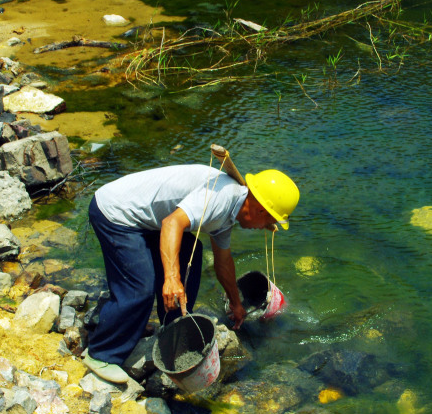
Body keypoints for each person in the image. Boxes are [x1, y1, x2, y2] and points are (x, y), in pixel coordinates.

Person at [82, 163, 300, 383]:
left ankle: (172, 328)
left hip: (149, 221)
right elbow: (171, 223)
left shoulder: (231, 210)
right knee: (140, 287)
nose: (265, 228)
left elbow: (223, 262)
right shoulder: (221, 198)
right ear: (261, 209)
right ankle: (102, 354)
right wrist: (171, 279)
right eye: (269, 222)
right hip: (117, 213)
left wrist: (236, 303)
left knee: (191, 256)